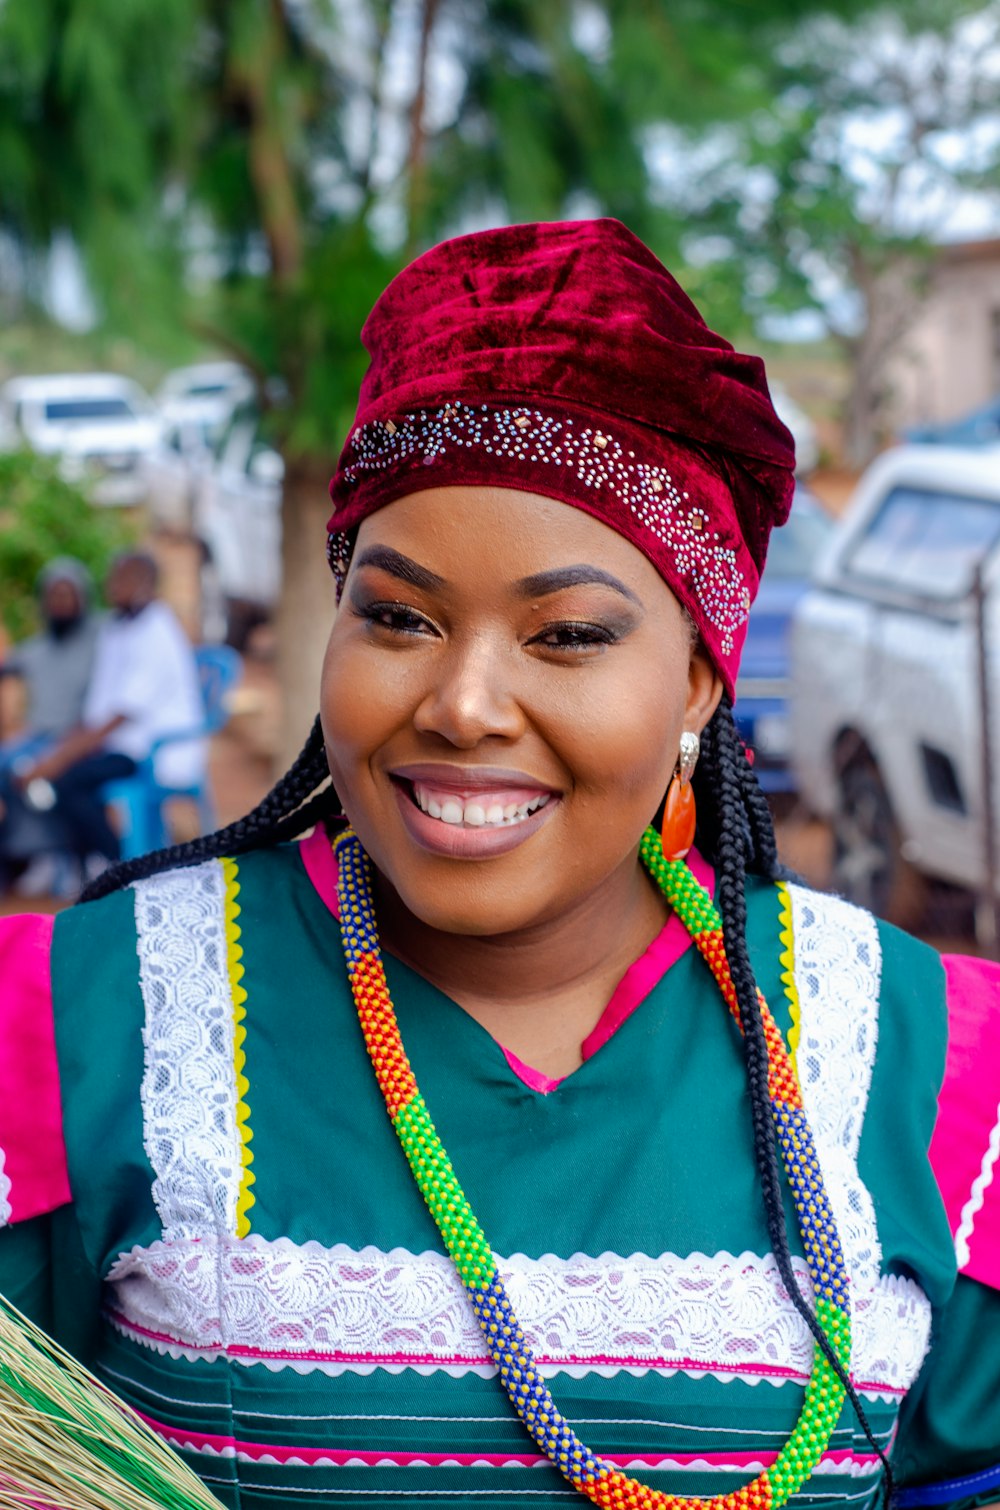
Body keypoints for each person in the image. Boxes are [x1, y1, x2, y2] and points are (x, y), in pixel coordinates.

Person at [0, 219, 997, 1510]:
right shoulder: (89, 1014)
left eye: (568, 632)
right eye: (399, 616)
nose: (464, 703)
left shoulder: (930, 1059)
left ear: (698, 676)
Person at [11, 549, 206, 881]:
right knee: (55, 777)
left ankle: (118, 866)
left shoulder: (156, 630)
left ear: (146, 583)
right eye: (112, 578)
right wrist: (55, 751)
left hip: (152, 750)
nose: (112, 586)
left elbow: (119, 716)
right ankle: (88, 866)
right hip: (121, 745)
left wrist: (55, 761)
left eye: (122, 579)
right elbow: (98, 712)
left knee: (66, 780)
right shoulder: (119, 628)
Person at [0, 557, 101, 889]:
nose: (60, 603)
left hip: (76, 738)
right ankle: (24, 854)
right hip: (37, 735)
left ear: (82, 598)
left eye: (67, 594)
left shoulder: (98, 642)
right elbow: (9, 666)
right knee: (7, 763)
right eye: (53, 595)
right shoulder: (37, 648)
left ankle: (60, 856)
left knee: (35, 772)